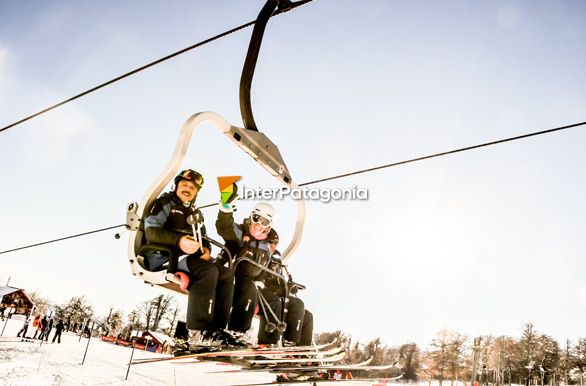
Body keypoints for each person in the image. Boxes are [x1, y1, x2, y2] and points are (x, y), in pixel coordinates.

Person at [144, 169, 236, 351]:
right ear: (176, 186)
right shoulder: (165, 203)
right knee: (208, 271)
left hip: (188, 258)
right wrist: (179, 241)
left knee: (226, 275)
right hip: (164, 256)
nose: (187, 189)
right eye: (184, 185)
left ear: (196, 192)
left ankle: (216, 331)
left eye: (192, 187)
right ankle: (197, 331)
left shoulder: (196, 213)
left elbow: (204, 238)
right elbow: (151, 231)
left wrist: (206, 250)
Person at [216, 201, 275, 337]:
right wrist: (225, 210)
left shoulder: (266, 247)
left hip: (248, 284)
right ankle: (233, 331)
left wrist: (261, 281)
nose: (258, 224)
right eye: (256, 218)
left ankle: (269, 342)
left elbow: (263, 268)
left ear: (268, 226)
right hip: (231, 276)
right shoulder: (241, 232)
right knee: (250, 287)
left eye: (264, 222)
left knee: (275, 300)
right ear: (251, 217)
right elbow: (225, 228)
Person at [257, 229, 314, 347]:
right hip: (266, 294)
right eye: (270, 242)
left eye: (275, 243)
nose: (273, 246)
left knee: (307, 315)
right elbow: (262, 278)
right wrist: (282, 289)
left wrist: (290, 286)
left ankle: (302, 350)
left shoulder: (277, 260)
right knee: (296, 304)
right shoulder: (261, 255)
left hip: (280, 295)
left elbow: (278, 280)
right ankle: (287, 342)